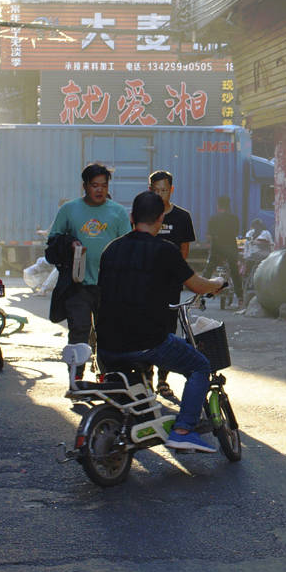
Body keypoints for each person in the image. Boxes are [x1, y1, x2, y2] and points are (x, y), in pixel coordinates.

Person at [96, 191, 226, 453]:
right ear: (161, 219)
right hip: (146, 341)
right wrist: (218, 284)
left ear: (132, 217)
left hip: (107, 344)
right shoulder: (165, 250)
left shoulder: (112, 249)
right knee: (200, 366)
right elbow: (197, 285)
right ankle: (183, 430)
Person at [46, 163, 130, 371]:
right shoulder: (68, 210)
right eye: (94, 185)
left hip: (109, 286)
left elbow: (128, 247)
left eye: (104, 185)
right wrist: (68, 243)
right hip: (78, 284)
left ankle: (107, 376)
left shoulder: (118, 212)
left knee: (108, 334)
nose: (100, 190)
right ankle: (76, 378)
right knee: (78, 332)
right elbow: (52, 243)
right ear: (85, 186)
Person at [149, 170, 196, 401]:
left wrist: (178, 275)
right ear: (150, 190)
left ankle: (162, 380)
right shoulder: (145, 216)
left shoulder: (182, 217)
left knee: (168, 331)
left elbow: (184, 250)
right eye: (156, 190)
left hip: (170, 285)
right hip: (146, 284)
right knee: (146, 329)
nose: (160, 194)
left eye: (164, 190)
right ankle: (146, 379)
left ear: (171, 190)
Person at [205, 195, 241, 297]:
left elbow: (209, 235)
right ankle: (240, 299)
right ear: (228, 206)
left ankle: (198, 297)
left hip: (217, 249)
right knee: (235, 272)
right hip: (231, 249)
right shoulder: (234, 219)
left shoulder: (214, 218)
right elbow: (236, 233)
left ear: (218, 206)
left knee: (208, 270)